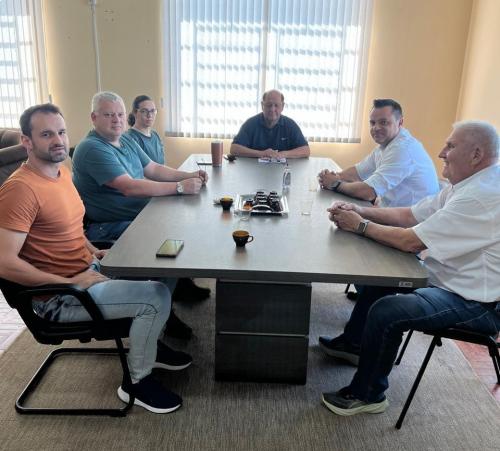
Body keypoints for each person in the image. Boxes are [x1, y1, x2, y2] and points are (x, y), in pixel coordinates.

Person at [0, 104, 193, 414]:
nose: (58, 140)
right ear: (27, 141)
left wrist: (92, 250)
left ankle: (149, 345)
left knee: (165, 266)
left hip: (87, 271)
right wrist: (70, 282)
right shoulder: (20, 190)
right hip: (60, 297)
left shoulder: (61, 174)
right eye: (46, 134)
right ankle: (136, 383)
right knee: (155, 296)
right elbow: (5, 263)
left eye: (61, 132)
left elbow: (69, 228)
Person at [320, 120, 500, 416]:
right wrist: (361, 211)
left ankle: (368, 395)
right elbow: (410, 215)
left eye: (451, 146)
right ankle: (354, 344)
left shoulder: (482, 195)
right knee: (380, 278)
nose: (441, 152)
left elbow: (410, 241)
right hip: (449, 280)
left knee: (387, 310)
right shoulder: (467, 184)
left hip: (477, 303)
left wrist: (360, 225)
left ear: (477, 154)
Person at [72, 91, 209, 339]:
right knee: (166, 244)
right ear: (94, 117)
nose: (116, 120)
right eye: (108, 115)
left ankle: (173, 292)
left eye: (120, 114)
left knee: (181, 228)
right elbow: (129, 187)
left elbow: (153, 169)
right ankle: (162, 312)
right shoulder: (91, 148)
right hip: (109, 225)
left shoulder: (125, 140)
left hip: (139, 214)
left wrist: (189, 175)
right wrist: (179, 188)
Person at [125, 95, 211, 310]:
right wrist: (179, 186)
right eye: (144, 111)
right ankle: (173, 290)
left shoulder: (154, 135)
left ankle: (182, 282)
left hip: (162, 193)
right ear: (134, 113)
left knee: (191, 222)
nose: (149, 115)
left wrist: (189, 176)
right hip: (150, 197)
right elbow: (142, 178)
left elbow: (158, 169)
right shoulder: (130, 139)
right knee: (175, 228)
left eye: (152, 111)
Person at [318, 99, 439, 207]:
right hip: (392, 212)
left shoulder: (403, 149)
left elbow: (368, 192)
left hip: (410, 221)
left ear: (400, 122)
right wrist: (334, 176)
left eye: (383, 122)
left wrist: (335, 184)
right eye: (372, 123)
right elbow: (357, 172)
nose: (376, 128)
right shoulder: (386, 145)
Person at [230, 89, 310, 159]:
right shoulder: (250, 124)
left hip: (283, 170)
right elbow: (234, 149)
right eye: (269, 105)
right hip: (254, 170)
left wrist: (283, 154)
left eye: (276, 105)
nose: (272, 109)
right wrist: (261, 154)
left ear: (282, 106)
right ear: (262, 105)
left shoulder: (290, 125)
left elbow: (306, 150)